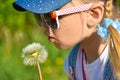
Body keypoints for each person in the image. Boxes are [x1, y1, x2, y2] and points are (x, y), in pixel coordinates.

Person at [12, 0, 120, 80]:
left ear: (93, 14)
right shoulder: (73, 62)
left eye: (50, 16)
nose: (44, 25)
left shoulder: (116, 68)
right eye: (38, 16)